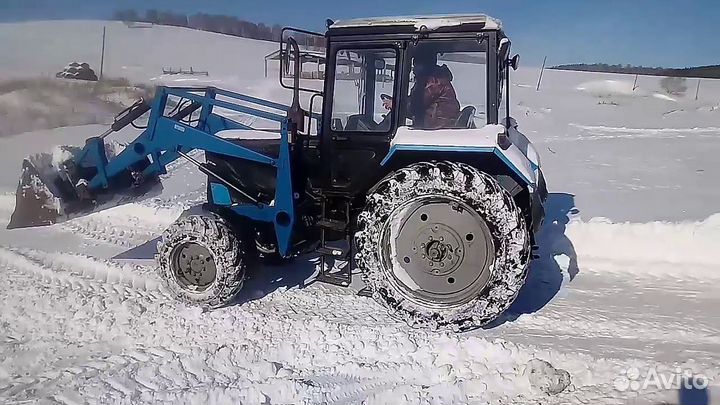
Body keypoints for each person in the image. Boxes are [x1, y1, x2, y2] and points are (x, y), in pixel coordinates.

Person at [382, 52, 461, 129]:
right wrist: (397, 102)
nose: (413, 70)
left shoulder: (434, 82)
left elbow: (415, 106)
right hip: (433, 124)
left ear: (424, 66)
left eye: (416, 66)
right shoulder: (430, 80)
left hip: (436, 128)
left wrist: (395, 105)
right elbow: (414, 100)